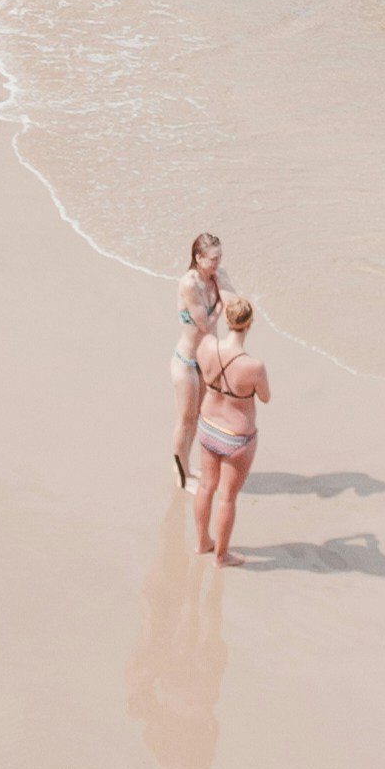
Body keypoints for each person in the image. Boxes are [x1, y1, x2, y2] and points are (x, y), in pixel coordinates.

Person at [191, 295, 269, 563]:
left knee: (205, 487)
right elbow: (266, 397)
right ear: (250, 323)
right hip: (237, 436)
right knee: (227, 498)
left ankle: (202, 542)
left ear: (226, 320)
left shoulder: (206, 346)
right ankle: (222, 556)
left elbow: (202, 371)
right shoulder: (253, 366)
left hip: (208, 425)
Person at [169, 231, 227, 484]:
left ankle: (187, 465)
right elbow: (204, 324)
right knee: (185, 419)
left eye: (220, 258)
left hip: (205, 361)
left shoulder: (216, 277)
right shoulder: (190, 284)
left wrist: (227, 298)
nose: (217, 264)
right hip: (186, 363)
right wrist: (222, 306)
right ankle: (182, 475)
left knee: (199, 418)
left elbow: (235, 301)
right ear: (198, 257)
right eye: (213, 259)